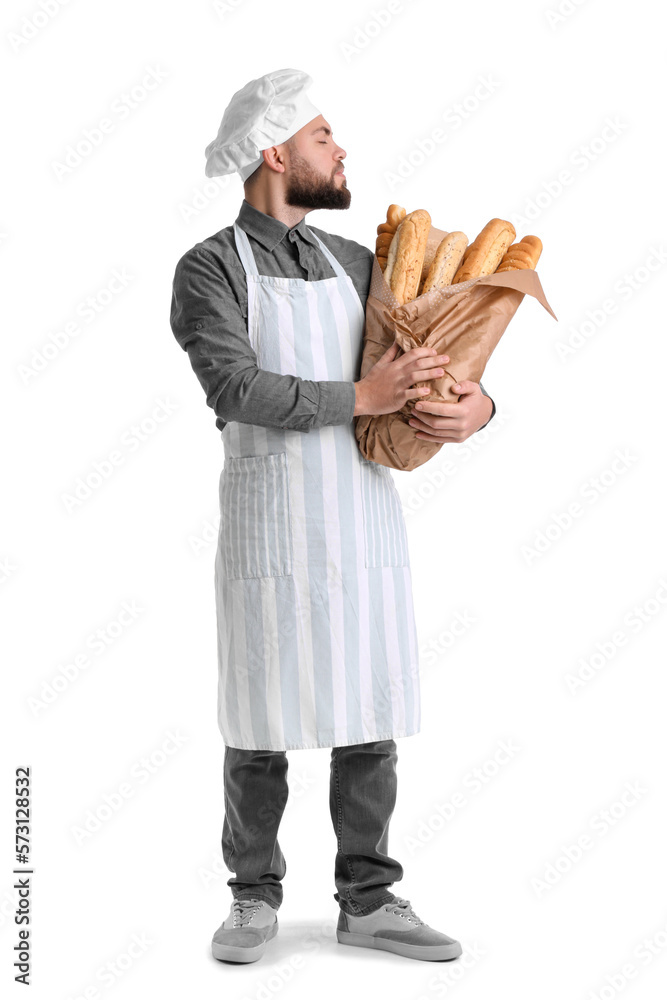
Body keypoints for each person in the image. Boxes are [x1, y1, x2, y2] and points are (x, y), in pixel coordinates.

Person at [169, 68, 496, 966]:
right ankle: (250, 898)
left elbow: (431, 359)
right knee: (259, 718)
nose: (339, 148)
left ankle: (369, 899)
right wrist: (362, 391)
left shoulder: (360, 264)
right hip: (270, 519)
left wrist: (475, 407)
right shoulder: (208, 269)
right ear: (275, 153)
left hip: (358, 519)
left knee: (369, 708)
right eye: (321, 136)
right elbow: (234, 386)